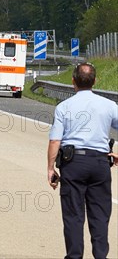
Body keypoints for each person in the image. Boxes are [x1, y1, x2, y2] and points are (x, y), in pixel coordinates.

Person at [47, 62, 118, 259]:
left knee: (73, 216)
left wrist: (50, 168)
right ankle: (101, 256)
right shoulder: (109, 105)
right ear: (95, 81)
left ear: (73, 82)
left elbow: (55, 140)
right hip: (100, 164)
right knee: (100, 216)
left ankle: (74, 256)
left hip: (73, 164)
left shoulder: (63, 107)